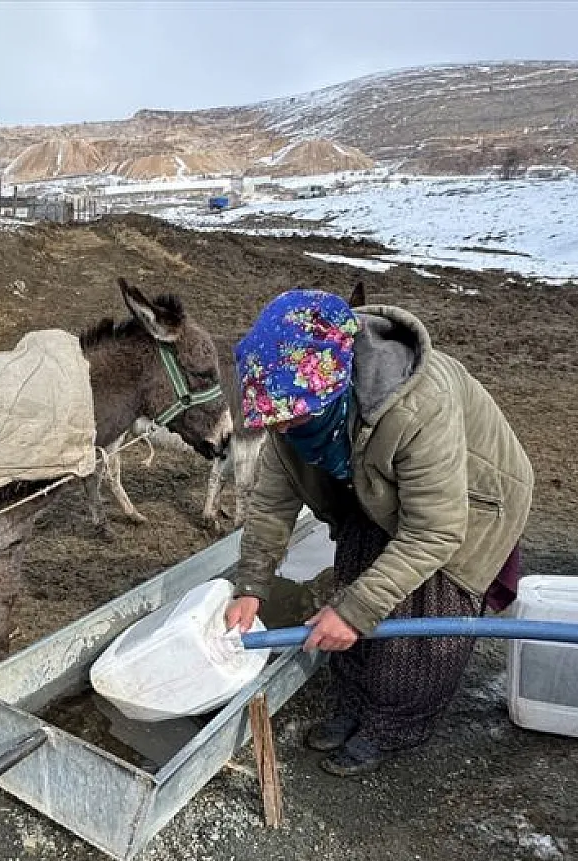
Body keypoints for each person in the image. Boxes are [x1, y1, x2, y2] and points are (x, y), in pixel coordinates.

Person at [225, 290, 532, 777]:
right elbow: (271, 504)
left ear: (332, 389)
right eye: (274, 421)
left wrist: (355, 611)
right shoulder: (291, 415)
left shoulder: (417, 403)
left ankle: (392, 727)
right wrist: (251, 587)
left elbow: (436, 530)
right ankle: (352, 706)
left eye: (294, 418)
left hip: (468, 503)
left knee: (419, 626)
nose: (282, 428)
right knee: (351, 582)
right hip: (374, 486)